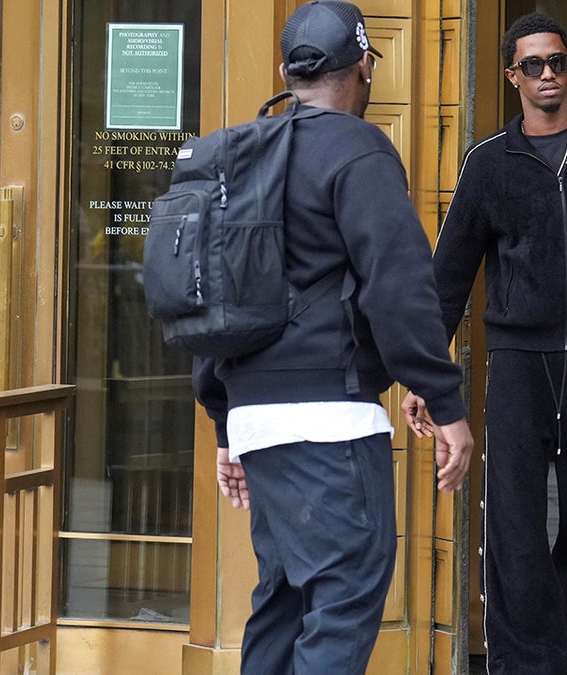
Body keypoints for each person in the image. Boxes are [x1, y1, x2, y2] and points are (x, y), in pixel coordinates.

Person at [192, 2, 474, 672]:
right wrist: (447, 401)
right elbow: (398, 286)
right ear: (364, 69)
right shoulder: (359, 149)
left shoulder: (238, 154)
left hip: (257, 420)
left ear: (287, 70)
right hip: (331, 422)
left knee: (284, 602)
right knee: (344, 596)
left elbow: (207, 298)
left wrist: (226, 423)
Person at [401, 12, 567, 675]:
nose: (549, 75)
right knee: (513, 522)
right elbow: (449, 279)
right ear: (513, 75)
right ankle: (523, 659)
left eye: (559, 63)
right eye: (534, 65)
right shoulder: (489, 164)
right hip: (516, 361)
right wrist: (428, 378)